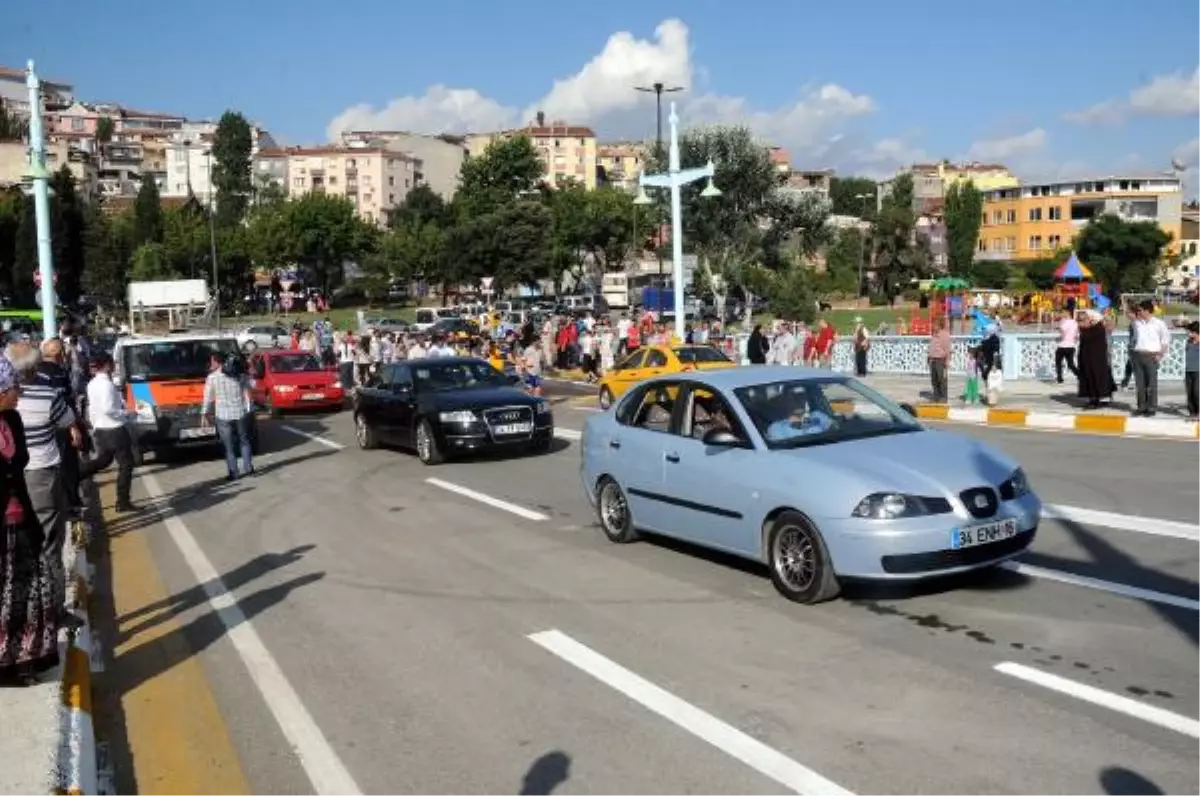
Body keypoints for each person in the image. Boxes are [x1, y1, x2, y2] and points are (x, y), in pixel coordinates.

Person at [0, 355, 60, 685]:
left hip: (20, 516)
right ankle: (4, 666)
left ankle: (26, 658)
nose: (18, 393)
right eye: (12, 388)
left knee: (31, 592)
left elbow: (18, 469)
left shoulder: (13, 420)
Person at [8, 342, 77, 611]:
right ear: (35, 368)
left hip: (13, 478)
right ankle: (55, 611)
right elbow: (67, 420)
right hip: (42, 476)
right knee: (49, 544)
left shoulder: (8, 401)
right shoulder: (47, 395)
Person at [79, 354, 136, 512]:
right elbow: (108, 409)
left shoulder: (92, 384)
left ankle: (77, 474)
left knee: (104, 460)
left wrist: (95, 425)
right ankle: (123, 501)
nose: (114, 366)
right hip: (115, 429)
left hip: (101, 430)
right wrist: (126, 412)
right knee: (126, 465)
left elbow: (93, 409)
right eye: (112, 363)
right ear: (107, 365)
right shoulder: (107, 385)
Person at [202, 353, 255, 481]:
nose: (211, 364)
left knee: (229, 446)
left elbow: (208, 398)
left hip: (223, 414)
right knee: (244, 440)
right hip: (240, 412)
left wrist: (205, 413)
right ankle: (248, 468)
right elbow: (251, 387)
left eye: (212, 361)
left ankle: (234, 472)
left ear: (217, 362)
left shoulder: (212, 377)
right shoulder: (240, 374)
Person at [1129, 299, 1172, 416]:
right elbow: (1130, 314)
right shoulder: (1136, 323)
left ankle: (1152, 407)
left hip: (1152, 356)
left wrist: (1160, 355)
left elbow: (1165, 341)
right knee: (1140, 384)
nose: (1138, 312)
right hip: (1138, 355)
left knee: (1151, 384)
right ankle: (1141, 407)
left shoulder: (1159, 324)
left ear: (1147, 310)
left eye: (1140, 310)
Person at [1076, 310, 1115, 409]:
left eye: (1082, 320)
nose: (1080, 323)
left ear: (1090, 319)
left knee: (1098, 378)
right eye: (1079, 320)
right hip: (1087, 359)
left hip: (1098, 360)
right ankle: (1092, 399)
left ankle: (1101, 399)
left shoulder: (1098, 329)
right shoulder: (1086, 330)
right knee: (1089, 378)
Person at [928, 318, 951, 403]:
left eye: (935, 325)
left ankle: (943, 397)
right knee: (934, 379)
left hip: (941, 360)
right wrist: (929, 357)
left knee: (942, 379)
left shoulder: (945, 335)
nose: (933, 326)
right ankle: (936, 396)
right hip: (933, 359)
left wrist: (947, 361)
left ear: (939, 325)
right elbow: (931, 347)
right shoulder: (934, 334)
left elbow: (947, 349)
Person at [1054, 311, 1080, 384]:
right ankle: (1080, 375)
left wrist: (1059, 331)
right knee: (1071, 364)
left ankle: (1060, 378)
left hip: (1063, 345)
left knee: (1058, 362)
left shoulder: (1064, 322)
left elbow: (1063, 333)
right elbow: (1077, 334)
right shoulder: (1075, 323)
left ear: (1065, 315)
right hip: (1071, 346)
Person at [1185, 321, 1200, 421]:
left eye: (1191, 331)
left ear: (1196, 332)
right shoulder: (1189, 341)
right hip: (1188, 370)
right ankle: (1192, 412)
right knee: (1189, 392)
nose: (1189, 333)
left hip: (1198, 370)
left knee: (1197, 391)